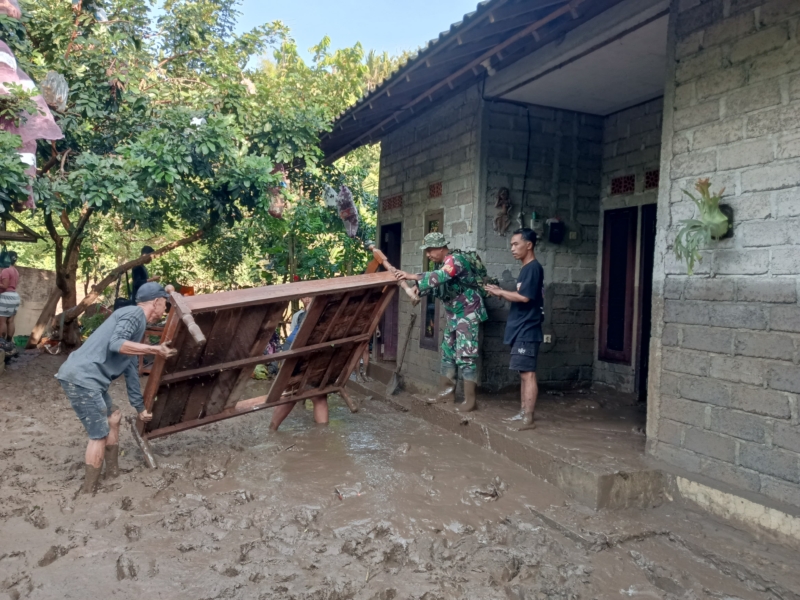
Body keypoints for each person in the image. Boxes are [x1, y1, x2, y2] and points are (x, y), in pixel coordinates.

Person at [56, 282, 177, 494]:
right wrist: (154, 349)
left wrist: (140, 408)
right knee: (99, 434)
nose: (165, 309)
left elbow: (131, 370)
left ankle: (112, 473)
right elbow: (116, 343)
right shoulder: (133, 314)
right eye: (165, 304)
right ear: (156, 302)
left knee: (114, 416)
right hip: (82, 378)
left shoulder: (136, 328)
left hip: (90, 379)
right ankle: (89, 490)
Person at [394, 232, 488, 412]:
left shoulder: (455, 260)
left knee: (466, 355)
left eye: (430, 250)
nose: (428, 254)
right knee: (448, 352)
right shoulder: (441, 265)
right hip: (454, 314)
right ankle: (446, 393)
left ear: (441, 247)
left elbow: (441, 276)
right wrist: (415, 288)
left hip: (467, 313)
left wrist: (411, 276)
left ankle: (470, 401)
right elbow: (435, 282)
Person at [485, 228, 544, 431]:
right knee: (523, 372)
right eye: (511, 244)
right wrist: (499, 291)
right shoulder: (526, 269)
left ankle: (528, 418)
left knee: (528, 374)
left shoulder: (533, 268)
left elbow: (524, 298)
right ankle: (523, 412)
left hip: (527, 328)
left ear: (529, 245)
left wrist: (500, 292)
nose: (512, 248)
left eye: (516, 244)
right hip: (521, 328)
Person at [269, 297, 329, 430]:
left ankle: (272, 429)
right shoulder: (327, 316)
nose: (306, 299)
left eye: (310, 296)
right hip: (308, 354)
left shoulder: (306, 316)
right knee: (317, 395)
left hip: (298, 352)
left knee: (294, 393)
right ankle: (323, 435)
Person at [0, 251, 20, 347]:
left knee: (2, 322)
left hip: (6, 296)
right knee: (10, 321)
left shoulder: (6, 270)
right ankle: (9, 342)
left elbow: (5, 286)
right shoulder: (15, 271)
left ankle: (1, 343)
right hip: (14, 296)